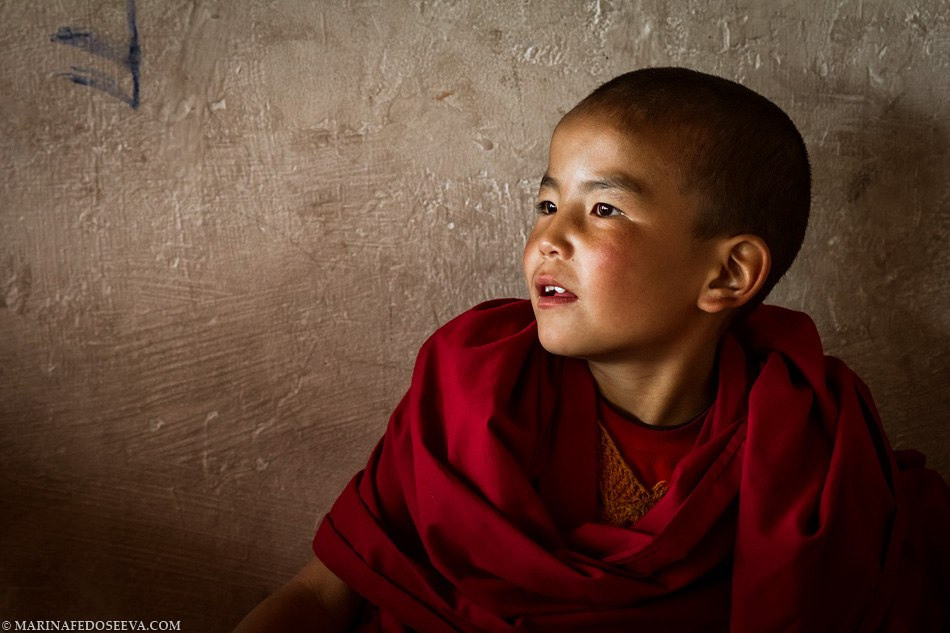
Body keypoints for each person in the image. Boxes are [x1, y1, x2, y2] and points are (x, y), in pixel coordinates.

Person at [232, 67, 950, 632]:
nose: (548, 238)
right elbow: (321, 594)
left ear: (728, 273)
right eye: (548, 204)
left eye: (602, 209)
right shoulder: (474, 382)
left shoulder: (812, 445)